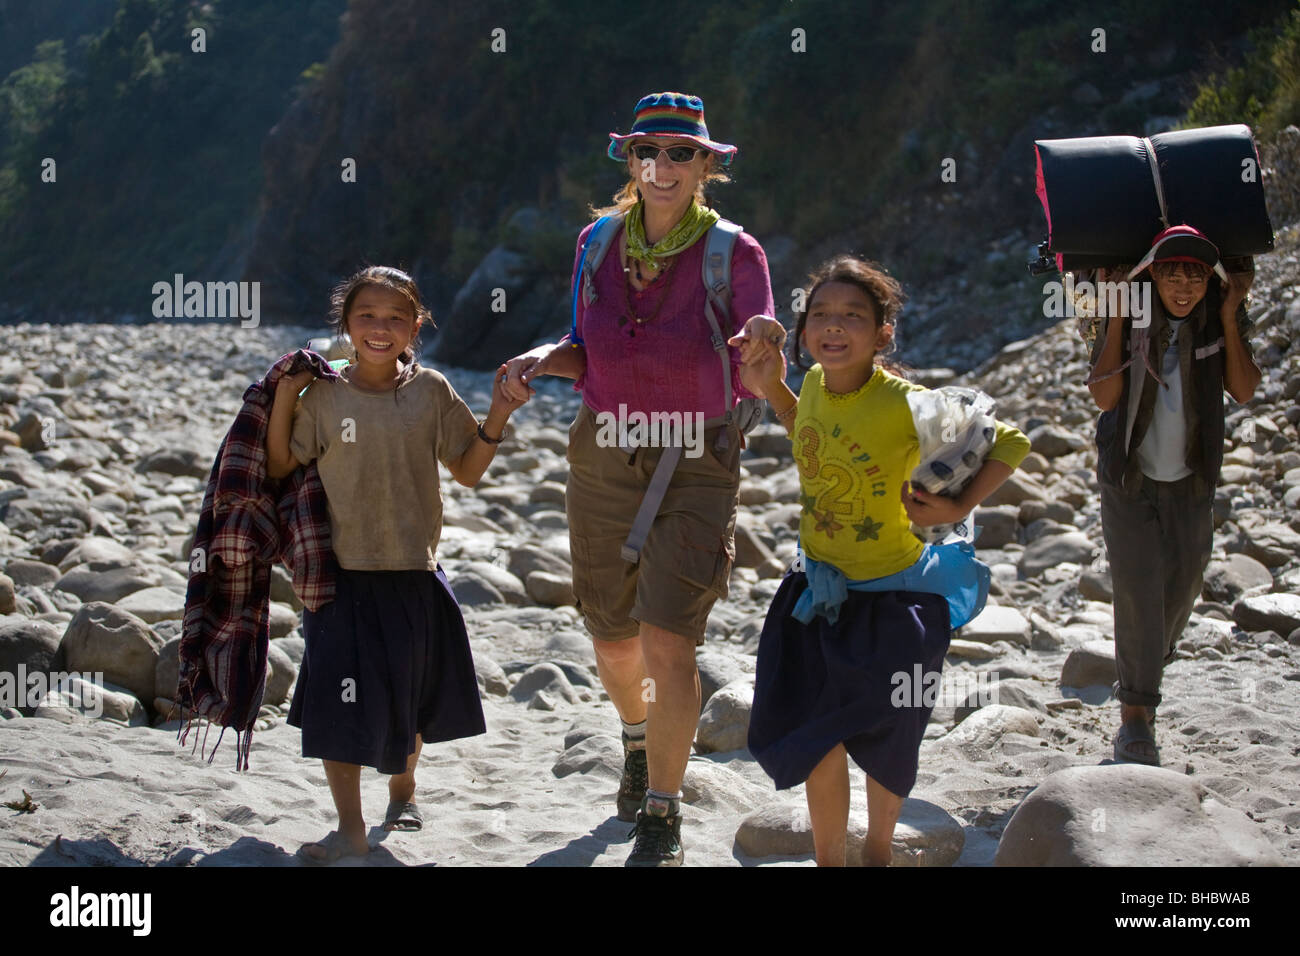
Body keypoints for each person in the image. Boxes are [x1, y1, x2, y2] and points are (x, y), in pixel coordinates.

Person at [500, 92, 775, 866]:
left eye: (679, 154)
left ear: (706, 166)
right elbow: (581, 345)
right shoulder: (596, 241)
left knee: (669, 640)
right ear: (630, 160)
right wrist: (540, 360)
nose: (661, 167)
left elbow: (759, 353)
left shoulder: (734, 254)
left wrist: (764, 345)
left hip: (697, 460)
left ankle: (663, 809)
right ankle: (633, 740)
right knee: (612, 636)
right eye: (646, 152)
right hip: (605, 450)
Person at [732, 255, 1030, 866]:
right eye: (821, 315)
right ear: (805, 327)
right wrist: (771, 386)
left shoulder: (906, 403)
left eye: (852, 317)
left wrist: (955, 507)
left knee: (893, 738)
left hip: (893, 602)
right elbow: (805, 427)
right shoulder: (812, 385)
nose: (834, 327)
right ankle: (829, 861)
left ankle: (877, 850)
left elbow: (1009, 440)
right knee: (818, 737)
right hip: (814, 592)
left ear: (882, 333)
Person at [265, 265, 527, 863]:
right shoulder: (324, 396)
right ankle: (350, 829)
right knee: (337, 708)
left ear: (415, 326)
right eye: (367, 317)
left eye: (395, 318)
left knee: (407, 706)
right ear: (346, 325)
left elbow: (466, 469)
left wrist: (501, 412)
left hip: (414, 575)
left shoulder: (431, 390)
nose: (380, 329)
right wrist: (285, 395)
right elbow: (281, 465)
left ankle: (403, 790)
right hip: (339, 578)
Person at [1086, 225, 1260, 766]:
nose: (1183, 285)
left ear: (1209, 279)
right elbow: (1105, 394)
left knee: (1185, 581)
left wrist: (1231, 315)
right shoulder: (1131, 315)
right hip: (1128, 477)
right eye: (1170, 272)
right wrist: (1115, 313)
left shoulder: (1216, 317)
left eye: (1195, 273)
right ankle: (1136, 717)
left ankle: (1146, 660)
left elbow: (1245, 388)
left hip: (1192, 476)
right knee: (1138, 588)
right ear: (1152, 276)